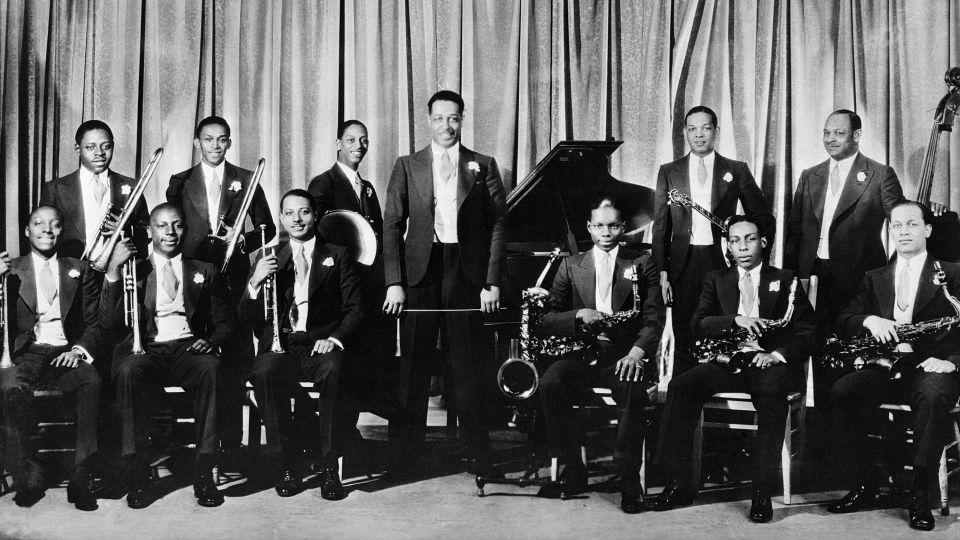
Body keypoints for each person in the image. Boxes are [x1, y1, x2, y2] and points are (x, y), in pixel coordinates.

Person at [649, 214, 817, 523]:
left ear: (763, 242)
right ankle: (676, 482)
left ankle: (761, 492)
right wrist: (735, 320)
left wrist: (778, 355)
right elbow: (698, 323)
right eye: (735, 240)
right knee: (681, 386)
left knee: (771, 395)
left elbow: (809, 332)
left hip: (767, 361)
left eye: (750, 239)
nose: (742, 246)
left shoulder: (787, 279)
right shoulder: (716, 278)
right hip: (727, 360)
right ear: (727, 245)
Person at [382, 90, 507, 471]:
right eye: (439, 118)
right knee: (413, 365)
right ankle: (405, 454)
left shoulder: (482, 164)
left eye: (453, 118)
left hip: (466, 271)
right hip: (421, 270)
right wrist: (394, 281)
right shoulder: (407, 164)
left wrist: (492, 281)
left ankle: (476, 452)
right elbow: (391, 225)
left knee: (469, 363)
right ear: (429, 120)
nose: (446, 126)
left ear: (462, 119)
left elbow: (500, 222)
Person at [825, 201, 960, 532]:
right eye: (896, 226)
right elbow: (845, 319)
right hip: (886, 364)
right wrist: (870, 319)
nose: (903, 232)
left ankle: (919, 495)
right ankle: (865, 484)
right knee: (844, 391)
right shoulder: (875, 277)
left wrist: (952, 362)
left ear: (927, 230)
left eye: (911, 225)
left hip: (933, 365)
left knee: (931, 396)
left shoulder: (953, 272)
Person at [532, 197, 663, 514]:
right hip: (582, 356)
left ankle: (629, 480)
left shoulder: (642, 264)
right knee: (551, 383)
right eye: (599, 225)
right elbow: (547, 320)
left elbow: (654, 319)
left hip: (623, 356)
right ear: (589, 229)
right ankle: (574, 470)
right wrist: (577, 316)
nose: (606, 231)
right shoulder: (570, 265)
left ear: (623, 228)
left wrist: (635, 352)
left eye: (613, 225)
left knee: (632, 390)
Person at [107, 203, 236, 509]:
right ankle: (137, 472)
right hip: (147, 348)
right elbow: (111, 323)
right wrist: (113, 273)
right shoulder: (134, 268)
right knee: (127, 372)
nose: (170, 233)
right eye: (162, 226)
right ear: (150, 231)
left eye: (177, 225)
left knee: (212, 369)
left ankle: (204, 470)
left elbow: (227, 322)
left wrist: (212, 340)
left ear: (185, 229)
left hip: (187, 347)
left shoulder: (205, 270)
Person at [166, 115, 276, 469]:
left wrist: (242, 241)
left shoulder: (246, 178)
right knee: (203, 362)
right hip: (197, 285)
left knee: (235, 360)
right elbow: (173, 230)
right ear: (197, 142)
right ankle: (203, 446)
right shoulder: (180, 181)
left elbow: (268, 228)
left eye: (222, 140)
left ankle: (231, 446)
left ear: (229, 143)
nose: (215, 146)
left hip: (234, 282)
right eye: (209, 140)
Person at [241, 189, 363, 500]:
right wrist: (254, 282)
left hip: (320, 343)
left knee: (335, 370)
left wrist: (334, 339)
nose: (297, 219)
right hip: (281, 344)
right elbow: (246, 316)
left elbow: (355, 309)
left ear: (316, 216)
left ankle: (328, 466)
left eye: (304, 212)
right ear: (281, 218)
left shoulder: (337, 254)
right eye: (290, 213)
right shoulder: (267, 257)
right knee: (264, 372)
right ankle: (287, 464)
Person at [0, 206, 123, 510]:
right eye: (38, 224)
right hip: (24, 354)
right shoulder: (10, 269)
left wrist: (79, 350)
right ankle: (26, 469)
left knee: (91, 382)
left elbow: (95, 323)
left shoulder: (80, 270)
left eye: (55, 225)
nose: (47, 230)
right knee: (7, 390)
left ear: (62, 231)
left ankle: (81, 476)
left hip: (65, 352)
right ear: (27, 231)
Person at [652, 106, 772, 373]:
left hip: (721, 261)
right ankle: (682, 394)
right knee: (685, 330)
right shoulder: (669, 170)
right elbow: (661, 228)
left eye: (706, 128)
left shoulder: (736, 169)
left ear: (716, 131)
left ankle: (718, 384)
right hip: (682, 264)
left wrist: (752, 256)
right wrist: (662, 272)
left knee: (719, 326)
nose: (699, 135)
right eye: (692, 129)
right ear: (684, 132)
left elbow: (763, 218)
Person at [307, 120, 405, 446]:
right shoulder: (322, 184)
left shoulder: (367, 188)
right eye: (351, 140)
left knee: (362, 362)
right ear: (338, 143)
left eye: (363, 140)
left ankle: (348, 435)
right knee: (343, 364)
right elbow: (317, 232)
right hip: (340, 288)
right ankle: (340, 438)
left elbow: (374, 238)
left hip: (367, 285)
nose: (358, 146)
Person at [783, 109, 905, 336]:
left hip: (858, 278)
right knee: (811, 340)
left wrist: (889, 273)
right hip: (812, 276)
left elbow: (902, 223)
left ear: (857, 136)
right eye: (826, 133)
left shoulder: (880, 174)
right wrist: (792, 277)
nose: (830, 139)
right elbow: (795, 232)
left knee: (851, 341)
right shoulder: (809, 175)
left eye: (839, 133)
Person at [40, 119, 150, 261]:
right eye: (90, 147)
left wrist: (125, 232)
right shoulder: (55, 188)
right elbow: (44, 236)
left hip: (116, 273)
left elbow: (144, 234)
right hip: (72, 273)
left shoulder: (132, 186)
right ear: (78, 148)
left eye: (106, 146)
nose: (99, 153)